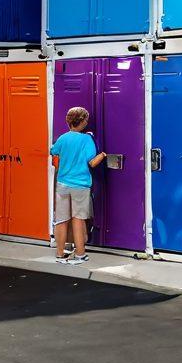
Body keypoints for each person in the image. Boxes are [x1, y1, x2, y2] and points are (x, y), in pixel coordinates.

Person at [50, 106, 106, 265]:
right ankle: (80, 254)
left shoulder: (62, 138)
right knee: (78, 219)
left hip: (62, 184)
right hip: (80, 186)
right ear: (81, 122)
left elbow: (53, 151)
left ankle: (60, 254)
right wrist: (102, 155)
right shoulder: (87, 139)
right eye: (86, 120)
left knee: (61, 220)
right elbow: (92, 163)